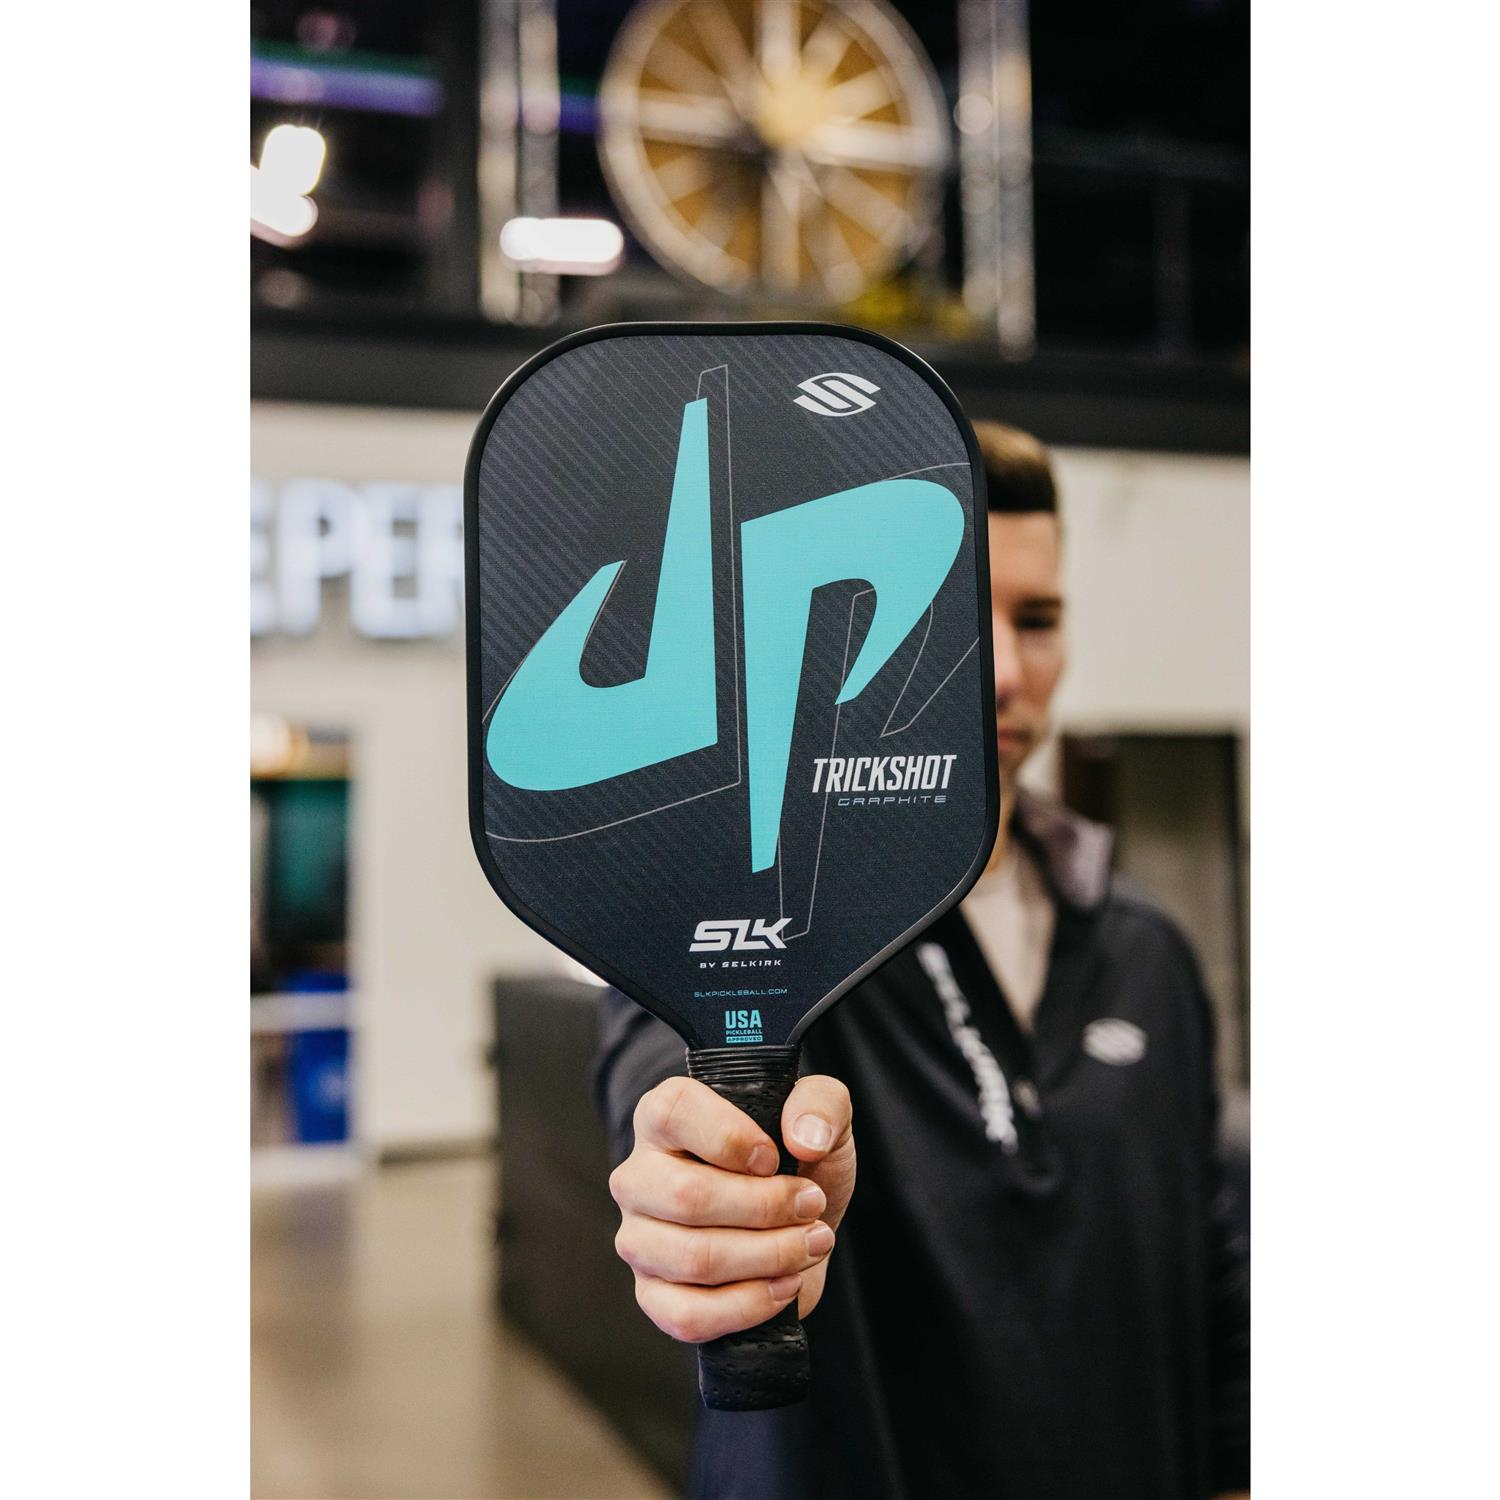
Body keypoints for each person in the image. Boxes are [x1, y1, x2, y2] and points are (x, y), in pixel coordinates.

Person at [595, 422, 1250, 1500]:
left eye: (1037, 621)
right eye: (958, 617)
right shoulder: (761, 925)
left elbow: (1211, 1267)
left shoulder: (1148, 947)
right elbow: (665, 1089)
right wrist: (699, 1197)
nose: (1007, 672)